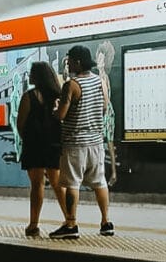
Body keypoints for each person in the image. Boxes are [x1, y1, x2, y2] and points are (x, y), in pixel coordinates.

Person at [50, 45, 114, 239]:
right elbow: (104, 109)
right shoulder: (100, 82)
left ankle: (71, 224)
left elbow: (61, 115)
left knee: (72, 184)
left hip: (75, 143)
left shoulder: (71, 85)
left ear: (78, 62)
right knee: (99, 182)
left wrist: (53, 110)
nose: (67, 65)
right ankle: (106, 223)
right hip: (96, 142)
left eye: (69, 61)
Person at [15, 61, 66, 238]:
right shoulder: (59, 95)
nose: (29, 75)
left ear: (37, 76)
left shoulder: (29, 96)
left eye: (32, 73)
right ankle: (70, 220)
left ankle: (33, 225)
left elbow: (20, 123)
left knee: (37, 185)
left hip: (34, 146)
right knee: (58, 184)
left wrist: (27, 140)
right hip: (54, 145)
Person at [95, 39, 118, 187]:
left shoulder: (102, 77)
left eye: (101, 60)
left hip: (105, 113)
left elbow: (105, 98)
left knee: (103, 145)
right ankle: (112, 174)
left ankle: (105, 175)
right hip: (107, 112)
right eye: (98, 59)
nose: (99, 62)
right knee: (108, 144)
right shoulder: (103, 76)